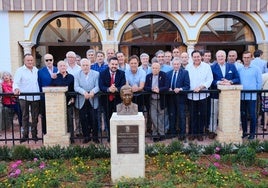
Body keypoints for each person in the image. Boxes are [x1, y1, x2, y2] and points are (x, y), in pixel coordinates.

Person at [210, 50, 240, 139]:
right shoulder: (212, 67)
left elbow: (237, 78)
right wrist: (219, 82)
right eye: (219, 56)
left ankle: (226, 131)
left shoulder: (232, 66)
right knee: (214, 113)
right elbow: (211, 80)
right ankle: (212, 130)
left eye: (222, 56)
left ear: (225, 57)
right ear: (216, 58)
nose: (220, 58)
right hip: (215, 95)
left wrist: (230, 82)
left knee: (227, 113)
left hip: (229, 97)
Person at [186, 50, 213, 141]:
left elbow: (210, 79)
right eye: (195, 57)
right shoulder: (188, 67)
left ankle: (200, 133)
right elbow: (186, 80)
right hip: (191, 95)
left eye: (198, 56)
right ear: (192, 58)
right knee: (192, 115)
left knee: (202, 115)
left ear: (201, 57)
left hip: (203, 95)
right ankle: (192, 133)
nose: (196, 58)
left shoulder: (207, 67)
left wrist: (201, 87)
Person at [13, 54, 40, 142]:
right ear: (24, 61)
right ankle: (25, 135)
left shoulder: (36, 70)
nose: (30, 62)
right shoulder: (20, 70)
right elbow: (15, 82)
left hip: (35, 97)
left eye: (31, 60)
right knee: (25, 116)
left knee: (35, 117)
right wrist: (16, 89)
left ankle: (34, 134)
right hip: (24, 97)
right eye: (28, 60)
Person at [99, 56, 126, 142]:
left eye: (116, 64)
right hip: (106, 100)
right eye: (112, 64)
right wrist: (108, 89)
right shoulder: (102, 73)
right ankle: (110, 137)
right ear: (109, 64)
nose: (114, 66)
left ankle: (118, 136)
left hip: (117, 100)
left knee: (118, 118)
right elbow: (101, 86)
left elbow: (123, 85)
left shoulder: (121, 73)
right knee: (107, 119)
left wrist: (116, 89)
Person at [74, 58, 100, 144]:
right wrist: (84, 92)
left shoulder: (96, 74)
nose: (85, 67)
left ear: (90, 65)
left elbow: (98, 86)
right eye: (83, 65)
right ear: (81, 66)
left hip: (93, 99)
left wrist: (92, 92)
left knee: (94, 118)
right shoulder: (77, 74)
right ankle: (86, 136)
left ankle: (95, 137)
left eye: (87, 65)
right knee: (83, 119)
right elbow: (76, 87)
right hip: (82, 99)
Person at [239, 51, 262, 140]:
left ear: (251, 58)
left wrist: (256, 92)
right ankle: (245, 132)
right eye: (244, 57)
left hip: (252, 96)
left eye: (248, 57)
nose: (246, 59)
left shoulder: (256, 69)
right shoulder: (240, 69)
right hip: (242, 96)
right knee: (243, 115)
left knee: (252, 115)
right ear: (242, 58)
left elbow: (259, 82)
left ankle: (252, 133)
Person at [51, 60, 75, 143]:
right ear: (57, 67)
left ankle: (71, 137)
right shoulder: (55, 77)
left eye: (64, 65)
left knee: (70, 119)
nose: (62, 67)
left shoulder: (71, 77)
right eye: (60, 66)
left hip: (69, 101)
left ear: (66, 66)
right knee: (60, 119)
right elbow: (52, 88)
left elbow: (73, 88)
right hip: (58, 103)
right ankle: (60, 137)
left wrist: (73, 98)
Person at [144, 62, 169, 142]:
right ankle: (162, 133)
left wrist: (159, 90)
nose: (155, 69)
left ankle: (155, 134)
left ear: (159, 68)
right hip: (152, 100)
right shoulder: (148, 76)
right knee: (153, 116)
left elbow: (167, 86)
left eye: (157, 68)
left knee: (160, 117)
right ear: (151, 69)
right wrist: (151, 89)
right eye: (153, 68)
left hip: (161, 99)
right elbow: (145, 87)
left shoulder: (164, 75)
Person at [167, 57, 190, 141]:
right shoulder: (168, 73)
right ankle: (172, 132)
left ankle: (182, 134)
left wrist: (180, 89)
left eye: (177, 64)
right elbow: (166, 85)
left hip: (181, 98)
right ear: (172, 65)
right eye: (174, 64)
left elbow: (187, 86)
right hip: (171, 98)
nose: (176, 66)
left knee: (181, 116)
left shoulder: (185, 73)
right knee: (172, 115)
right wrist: (168, 88)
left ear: (180, 64)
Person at [37, 53, 58, 134]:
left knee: (56, 114)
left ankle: (56, 130)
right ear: (44, 61)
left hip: (56, 97)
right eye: (47, 60)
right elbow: (39, 84)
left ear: (53, 60)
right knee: (45, 115)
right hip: (45, 97)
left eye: (50, 60)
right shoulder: (40, 71)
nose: (49, 61)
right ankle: (45, 132)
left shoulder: (57, 69)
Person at [65, 51, 82, 137]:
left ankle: (78, 131)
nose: (71, 59)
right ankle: (70, 131)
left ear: (75, 58)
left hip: (78, 94)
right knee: (69, 114)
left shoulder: (79, 68)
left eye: (72, 57)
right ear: (66, 58)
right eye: (69, 57)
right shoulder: (64, 68)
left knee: (78, 113)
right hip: (68, 95)